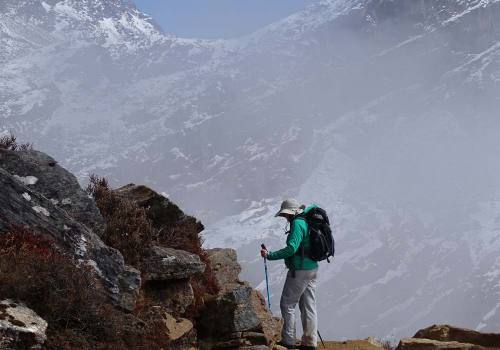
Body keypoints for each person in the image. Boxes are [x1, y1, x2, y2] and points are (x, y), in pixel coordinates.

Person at [261, 198, 318, 350]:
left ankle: (288, 341)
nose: (285, 217)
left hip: (299, 270)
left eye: (285, 215)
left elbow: (292, 249)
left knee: (287, 304)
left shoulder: (297, 224)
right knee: (308, 306)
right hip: (312, 268)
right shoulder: (306, 221)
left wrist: (270, 255)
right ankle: (310, 342)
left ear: (291, 213)